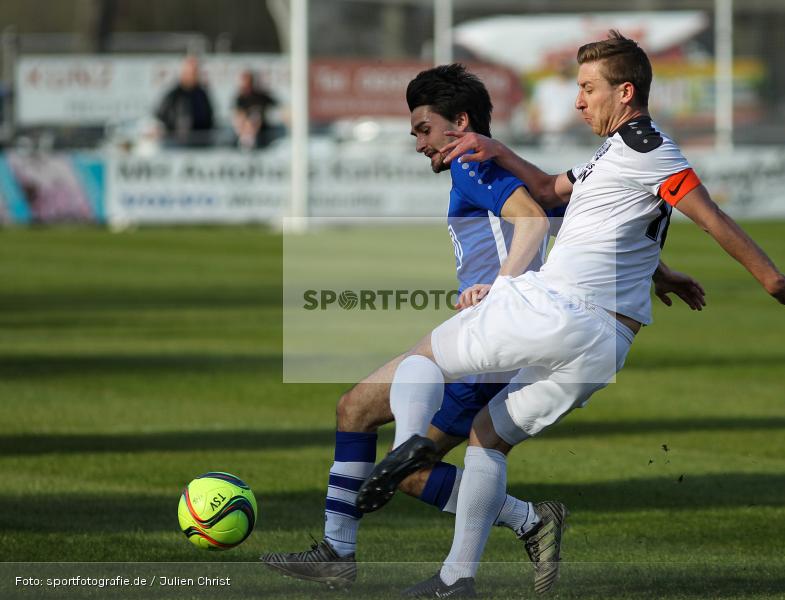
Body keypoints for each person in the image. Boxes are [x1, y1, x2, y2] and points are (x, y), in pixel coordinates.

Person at [357, 31, 785, 598]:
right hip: (603, 347)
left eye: (587, 88)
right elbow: (555, 192)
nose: (578, 100)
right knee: (487, 439)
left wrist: (771, 279)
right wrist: (500, 151)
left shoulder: (651, 149)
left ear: (625, 92)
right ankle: (457, 579)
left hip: (557, 309)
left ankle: (408, 449)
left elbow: (708, 214)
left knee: (420, 362)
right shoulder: (616, 153)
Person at [261, 64, 706, 594]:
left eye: (424, 129)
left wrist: (499, 286)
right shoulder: (493, 164)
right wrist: (659, 269)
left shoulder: (474, 165)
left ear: (460, 122)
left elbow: (533, 221)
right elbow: (587, 222)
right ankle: (512, 524)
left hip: (501, 331)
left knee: (361, 411)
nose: (419, 143)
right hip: (520, 327)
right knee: (410, 458)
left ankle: (349, 549)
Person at [155, 56, 215, 147]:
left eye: (196, 71)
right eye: (192, 71)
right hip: (176, 146)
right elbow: (160, 117)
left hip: (200, 145)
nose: (195, 74)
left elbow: (210, 119)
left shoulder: (202, 94)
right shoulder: (173, 95)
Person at [232, 70, 280, 149]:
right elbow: (238, 114)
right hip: (244, 130)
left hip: (262, 130)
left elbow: (277, 106)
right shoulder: (240, 98)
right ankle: (246, 141)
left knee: (255, 116)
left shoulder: (261, 96)